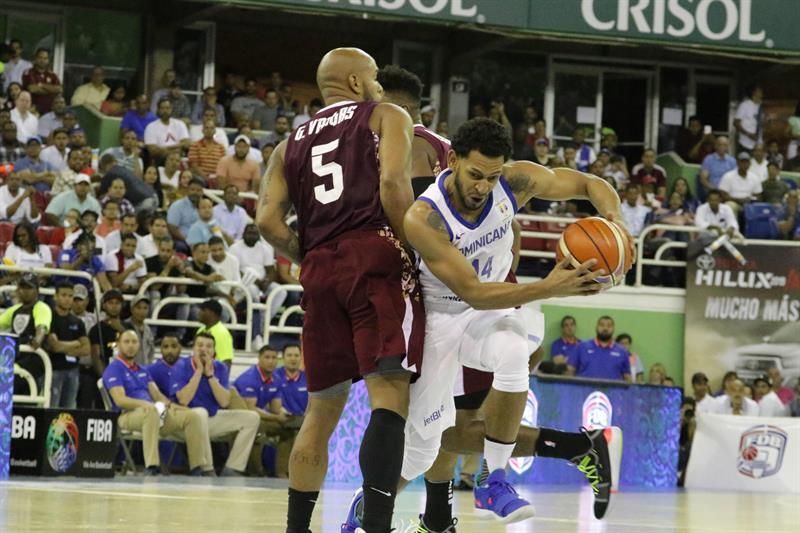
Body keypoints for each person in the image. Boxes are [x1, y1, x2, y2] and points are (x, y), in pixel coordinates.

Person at [392, 117, 629, 527]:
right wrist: (551, 287)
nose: (483, 186)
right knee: (429, 443)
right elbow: (472, 291)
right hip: (441, 318)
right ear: (452, 160)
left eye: (492, 176)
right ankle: (369, 505)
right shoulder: (425, 217)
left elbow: (589, 183)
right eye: (475, 175)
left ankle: (495, 481)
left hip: (493, 309)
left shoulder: (514, 182)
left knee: (515, 352)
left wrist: (616, 223)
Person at [255, 48, 421, 533]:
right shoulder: (386, 115)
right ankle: (377, 526)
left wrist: (308, 254)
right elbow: (394, 186)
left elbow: (266, 222)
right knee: (388, 396)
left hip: (319, 268)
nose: (379, 87)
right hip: (374, 257)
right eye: (375, 79)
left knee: (321, 411)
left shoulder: (287, 145)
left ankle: (296, 529)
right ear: (354, 82)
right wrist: (414, 251)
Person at [103, 329, 214, 476]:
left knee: (192, 416)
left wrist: (178, 408)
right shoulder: (114, 369)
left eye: (134, 342)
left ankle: (197, 467)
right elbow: (120, 400)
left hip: (154, 413)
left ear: (139, 345)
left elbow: (158, 396)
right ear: (119, 344)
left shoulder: (142, 370)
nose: (130, 345)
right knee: (152, 412)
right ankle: (152, 465)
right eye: (126, 342)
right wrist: (146, 405)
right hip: (128, 415)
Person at [169, 332, 260, 476]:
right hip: (186, 422)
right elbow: (184, 400)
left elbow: (224, 402)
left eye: (208, 346)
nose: (204, 350)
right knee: (200, 413)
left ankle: (233, 468)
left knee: (252, 418)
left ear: (213, 351)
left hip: (211, 419)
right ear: (193, 349)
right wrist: (198, 372)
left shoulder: (220, 367)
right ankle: (207, 469)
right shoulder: (180, 366)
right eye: (200, 345)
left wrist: (210, 375)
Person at [233, 345, 295, 477]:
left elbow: (275, 408)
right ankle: (256, 472)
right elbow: (250, 410)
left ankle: (281, 473)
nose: (271, 361)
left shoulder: (276, 379)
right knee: (258, 428)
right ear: (259, 359)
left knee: (288, 429)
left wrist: (286, 416)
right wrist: (277, 418)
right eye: (267, 357)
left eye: (274, 358)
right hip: (239, 418)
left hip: (258, 417)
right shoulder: (250, 378)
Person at [0, 273, 51, 395]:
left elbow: (42, 327)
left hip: (32, 362)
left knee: (27, 399)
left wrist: (38, 339)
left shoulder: (41, 307)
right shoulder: (14, 310)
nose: (25, 291)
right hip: (16, 360)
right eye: (23, 287)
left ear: (37, 291)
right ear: (18, 290)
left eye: (29, 288)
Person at [47, 282, 89, 409]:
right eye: (63, 295)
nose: (67, 299)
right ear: (55, 296)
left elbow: (86, 349)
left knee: (69, 409)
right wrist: (76, 343)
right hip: (54, 368)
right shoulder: (49, 317)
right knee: (52, 407)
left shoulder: (78, 322)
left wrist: (65, 348)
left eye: (70, 296)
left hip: (73, 370)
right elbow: (55, 346)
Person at [568, 316, 632, 382]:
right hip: (584, 388)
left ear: (613, 329)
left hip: (613, 389)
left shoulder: (622, 352)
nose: (605, 328)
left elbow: (627, 377)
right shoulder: (581, 347)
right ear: (596, 327)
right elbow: (570, 371)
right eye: (602, 325)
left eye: (609, 326)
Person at [195, 299, 234, 367]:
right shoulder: (200, 330)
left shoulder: (222, 333)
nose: (199, 313)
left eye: (203, 310)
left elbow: (226, 361)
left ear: (212, 313)